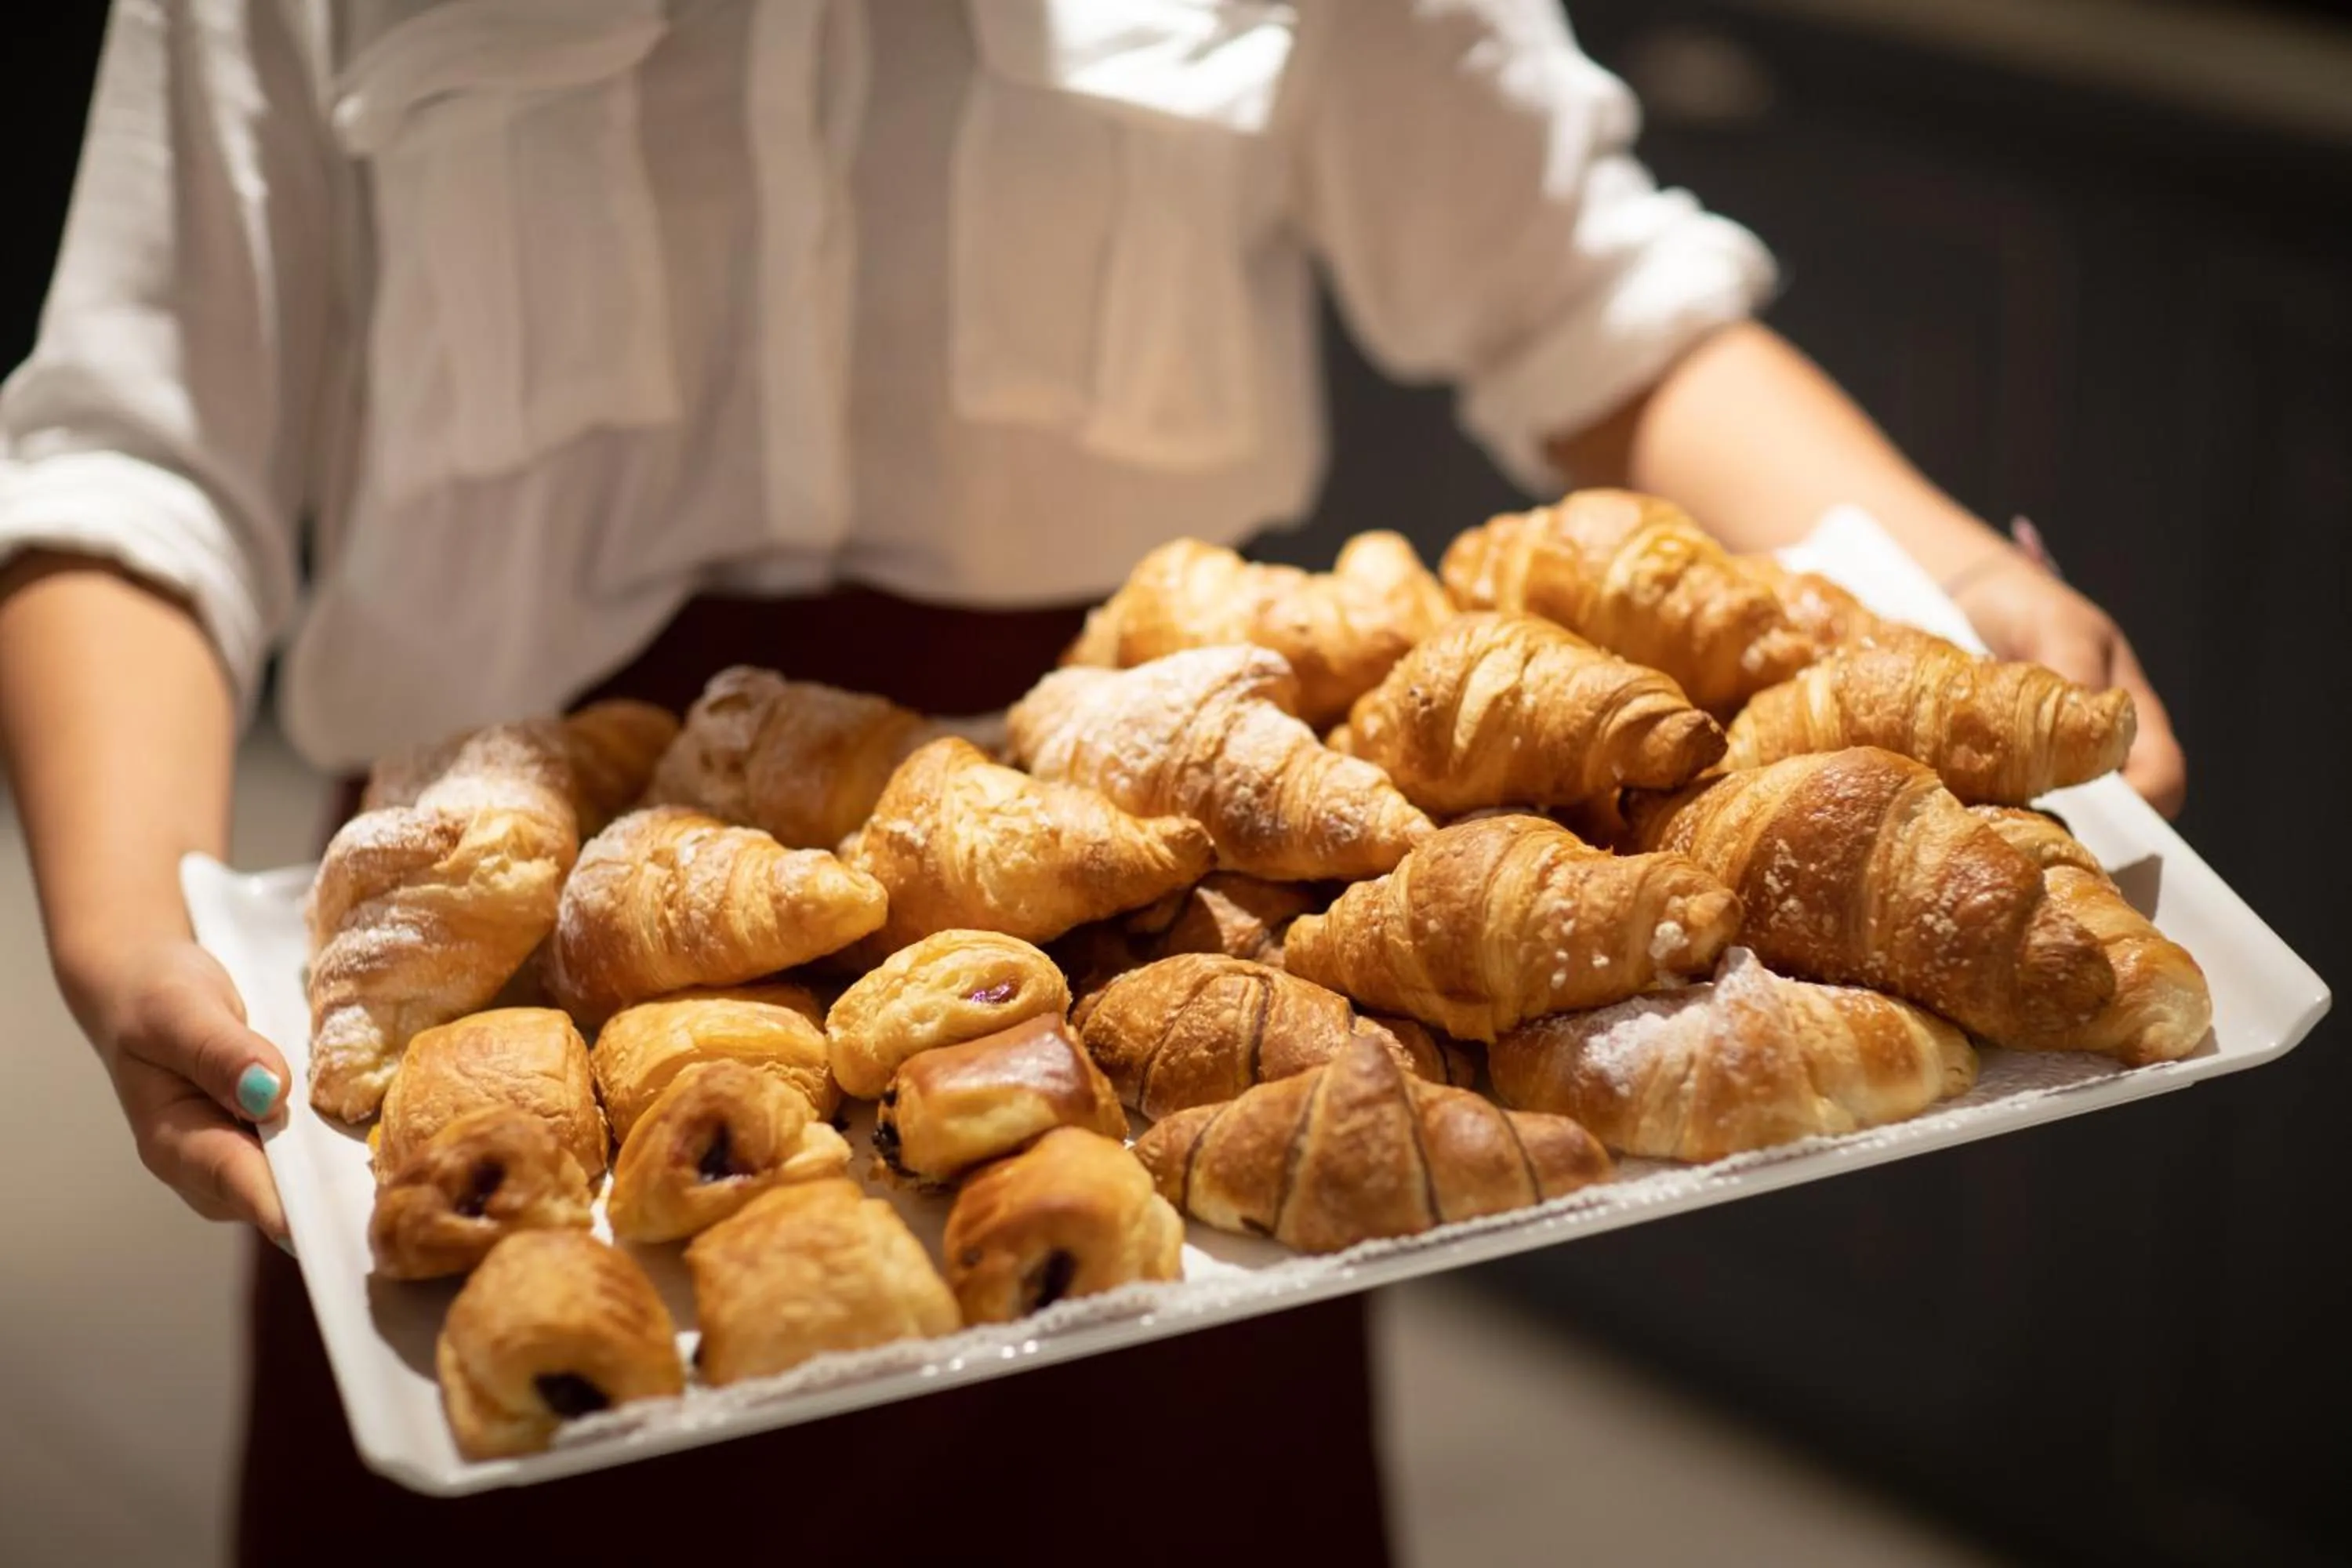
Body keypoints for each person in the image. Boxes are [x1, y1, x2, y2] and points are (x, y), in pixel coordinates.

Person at [0, 3, 2185, 1564]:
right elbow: (129, 449)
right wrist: (128, 936)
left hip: (1139, 982)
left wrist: (1953, 593)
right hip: (506, 1007)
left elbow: (1601, 311)